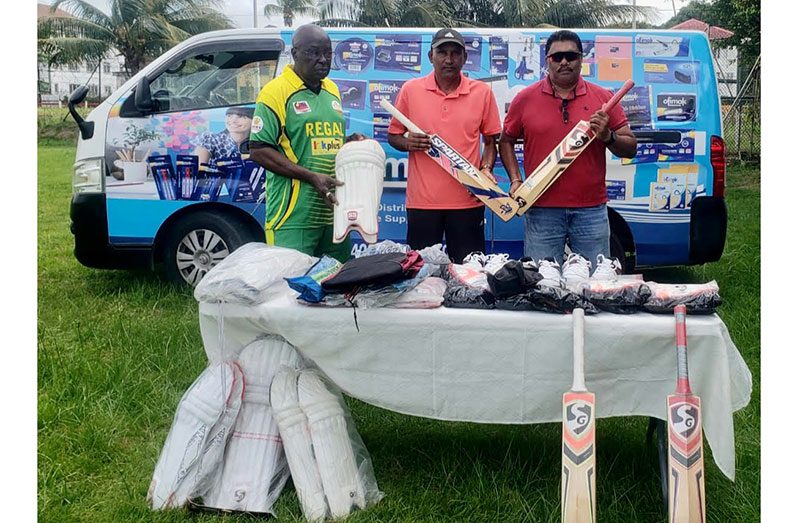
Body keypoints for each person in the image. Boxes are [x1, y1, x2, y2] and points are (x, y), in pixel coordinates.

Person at [499, 29, 637, 275]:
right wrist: (516, 179)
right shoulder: (525, 99)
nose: (564, 62)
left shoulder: (602, 98)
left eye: (571, 56)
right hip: (540, 208)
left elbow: (630, 147)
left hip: (591, 211)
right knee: (542, 283)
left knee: (596, 282)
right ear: (547, 61)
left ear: (581, 60)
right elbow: (505, 140)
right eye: (557, 56)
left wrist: (608, 136)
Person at [386, 28, 502, 264]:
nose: (449, 59)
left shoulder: (481, 93)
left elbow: (490, 141)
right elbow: (393, 136)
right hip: (423, 203)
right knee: (421, 274)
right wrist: (409, 143)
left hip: (469, 200)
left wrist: (487, 169)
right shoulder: (411, 89)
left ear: (464, 58)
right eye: (442, 53)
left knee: (470, 272)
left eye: (455, 53)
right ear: (431, 56)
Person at [249, 24, 353, 262]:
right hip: (293, 215)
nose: (323, 59)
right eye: (313, 52)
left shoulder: (332, 90)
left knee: (335, 287)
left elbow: (320, 140)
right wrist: (311, 177)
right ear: (295, 54)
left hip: (332, 213)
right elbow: (259, 150)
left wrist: (350, 142)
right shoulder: (275, 92)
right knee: (288, 291)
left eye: (327, 53)